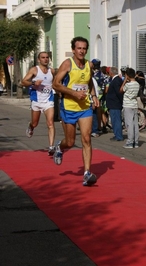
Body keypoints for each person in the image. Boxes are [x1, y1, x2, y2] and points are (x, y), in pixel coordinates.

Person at [52, 36, 100, 186]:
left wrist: (93, 95)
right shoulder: (68, 64)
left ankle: (86, 173)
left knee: (86, 139)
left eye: (84, 48)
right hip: (69, 106)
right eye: (79, 48)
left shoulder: (88, 65)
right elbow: (55, 84)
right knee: (71, 142)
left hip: (84, 106)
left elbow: (90, 81)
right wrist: (74, 93)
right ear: (73, 49)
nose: (82, 51)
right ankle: (60, 146)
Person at [21, 51, 56, 155]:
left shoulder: (52, 71)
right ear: (39, 59)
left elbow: (56, 82)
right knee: (35, 123)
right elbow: (23, 82)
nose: (45, 59)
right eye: (43, 57)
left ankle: (51, 147)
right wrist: (33, 83)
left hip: (48, 101)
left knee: (50, 123)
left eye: (47, 57)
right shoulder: (34, 70)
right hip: (36, 100)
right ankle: (30, 126)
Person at [120, 68, 140, 148]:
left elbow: (121, 90)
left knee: (129, 124)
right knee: (135, 124)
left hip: (127, 105)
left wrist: (124, 81)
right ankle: (136, 141)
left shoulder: (128, 85)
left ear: (127, 75)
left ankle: (130, 142)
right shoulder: (137, 84)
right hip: (134, 105)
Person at [106, 67, 124, 141]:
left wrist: (120, 102)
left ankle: (118, 136)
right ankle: (117, 134)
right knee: (114, 120)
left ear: (111, 73)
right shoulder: (116, 80)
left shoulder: (116, 80)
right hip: (114, 104)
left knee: (116, 120)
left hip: (115, 104)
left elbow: (118, 92)